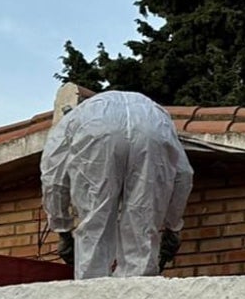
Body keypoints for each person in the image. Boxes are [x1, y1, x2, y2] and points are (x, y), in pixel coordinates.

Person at [40, 90, 194, 279]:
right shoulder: (158, 113)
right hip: (153, 127)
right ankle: (139, 287)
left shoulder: (75, 116)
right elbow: (183, 175)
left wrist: (62, 227)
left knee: (95, 220)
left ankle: (91, 290)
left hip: (94, 127)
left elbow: (53, 177)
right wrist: (173, 226)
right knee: (142, 223)